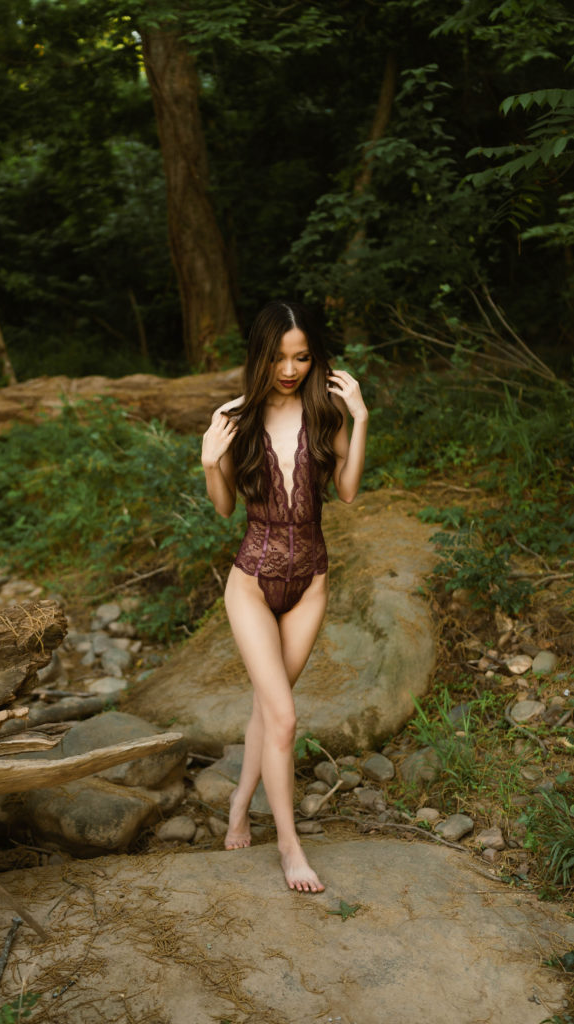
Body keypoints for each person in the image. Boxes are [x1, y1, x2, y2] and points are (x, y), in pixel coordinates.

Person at [201, 300, 368, 893]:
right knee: (285, 715)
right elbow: (224, 508)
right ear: (260, 356)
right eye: (279, 357)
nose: (291, 369)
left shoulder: (326, 416)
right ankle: (290, 847)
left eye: (302, 357)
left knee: (270, 710)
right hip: (251, 581)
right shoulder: (236, 415)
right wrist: (208, 461)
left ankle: (240, 805)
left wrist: (361, 418)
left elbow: (346, 494)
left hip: (310, 583)